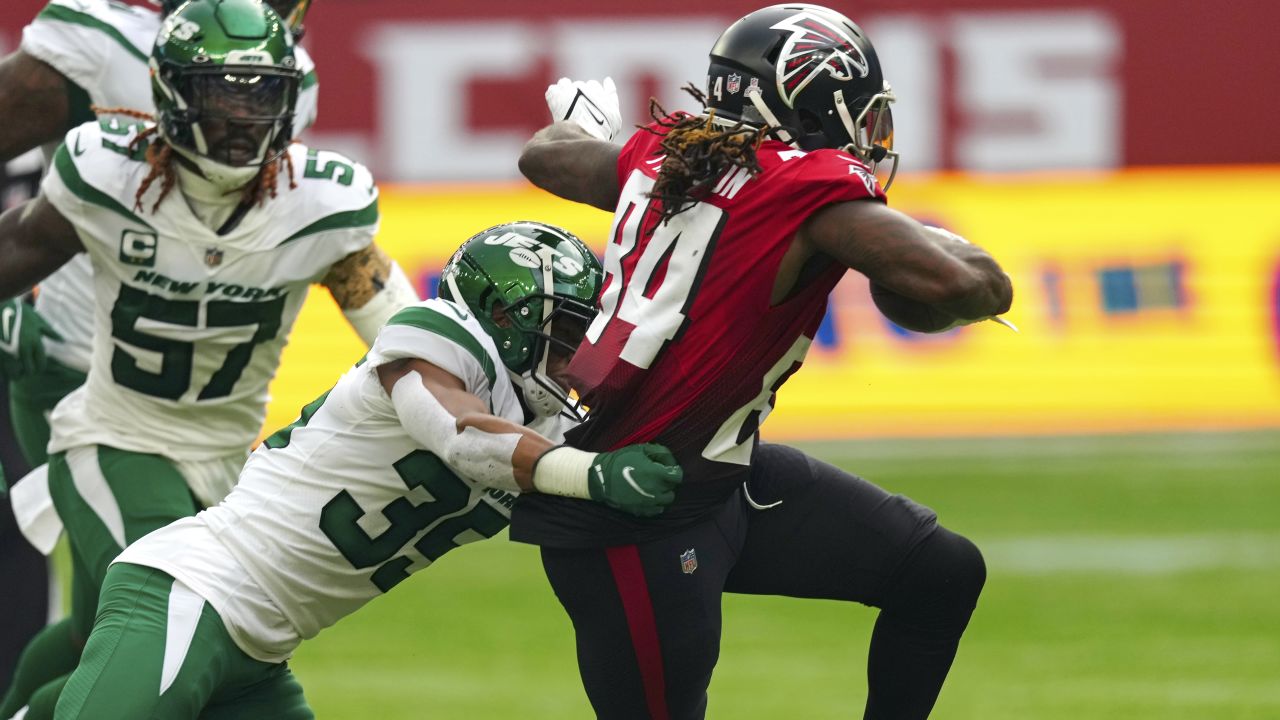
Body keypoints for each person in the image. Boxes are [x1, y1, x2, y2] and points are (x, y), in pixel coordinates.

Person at [512, 5, 1014, 719]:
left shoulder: (663, 154)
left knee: (938, 571)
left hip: (716, 476)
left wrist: (589, 125)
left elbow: (547, 157)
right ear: (811, 98)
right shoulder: (806, 191)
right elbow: (964, 286)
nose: (869, 130)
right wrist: (910, 234)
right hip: (629, 511)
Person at [50, 221, 682, 719]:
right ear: (506, 319)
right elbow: (462, 436)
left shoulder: (549, 429)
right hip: (192, 594)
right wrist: (589, 474)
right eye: (566, 332)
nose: (579, 355)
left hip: (262, 650)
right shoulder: (436, 336)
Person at [0, 1, 413, 717]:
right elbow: (18, 246)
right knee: (182, 618)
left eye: (262, 94)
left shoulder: (322, 201)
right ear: (167, 95)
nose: (243, 115)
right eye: (221, 92)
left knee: (93, 633)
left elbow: (405, 331)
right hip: (112, 434)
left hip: (228, 460)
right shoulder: (105, 169)